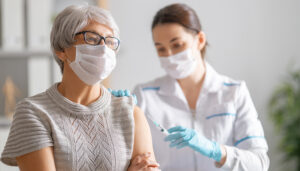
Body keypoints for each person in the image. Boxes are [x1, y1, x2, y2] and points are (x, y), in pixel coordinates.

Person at [0, 5, 160, 171]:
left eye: (110, 41)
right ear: (61, 50)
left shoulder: (129, 113)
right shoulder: (34, 112)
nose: (103, 49)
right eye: (91, 38)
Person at [116, 3, 269, 171]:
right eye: (161, 49)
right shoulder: (144, 96)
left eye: (177, 45)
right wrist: (114, 110)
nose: (169, 55)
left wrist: (216, 150)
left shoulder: (234, 92)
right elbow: (132, 161)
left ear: (200, 40)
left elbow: (259, 163)